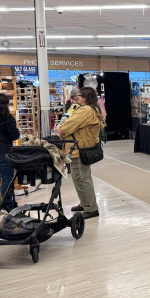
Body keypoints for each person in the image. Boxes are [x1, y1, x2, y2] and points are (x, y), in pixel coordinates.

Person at [58, 87, 104, 219]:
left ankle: (91, 208)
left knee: (83, 179)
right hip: (78, 148)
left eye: (78, 95)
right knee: (79, 178)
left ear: (84, 97)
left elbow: (67, 125)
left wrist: (61, 128)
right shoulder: (91, 108)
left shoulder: (85, 110)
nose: (76, 97)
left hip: (79, 149)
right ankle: (85, 203)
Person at [0, 94, 19, 212]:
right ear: (7, 104)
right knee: (7, 177)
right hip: (4, 152)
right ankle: (7, 205)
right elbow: (14, 135)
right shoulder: (8, 118)